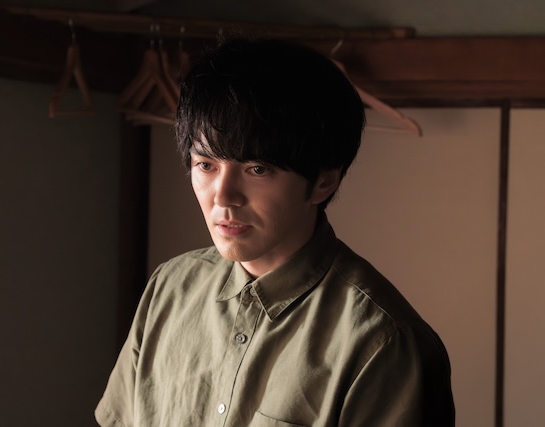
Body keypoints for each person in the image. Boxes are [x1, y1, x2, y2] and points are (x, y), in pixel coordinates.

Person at [95, 37, 455, 427]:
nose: (224, 197)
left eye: (257, 169)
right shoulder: (171, 286)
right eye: (206, 165)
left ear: (323, 181)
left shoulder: (382, 340)